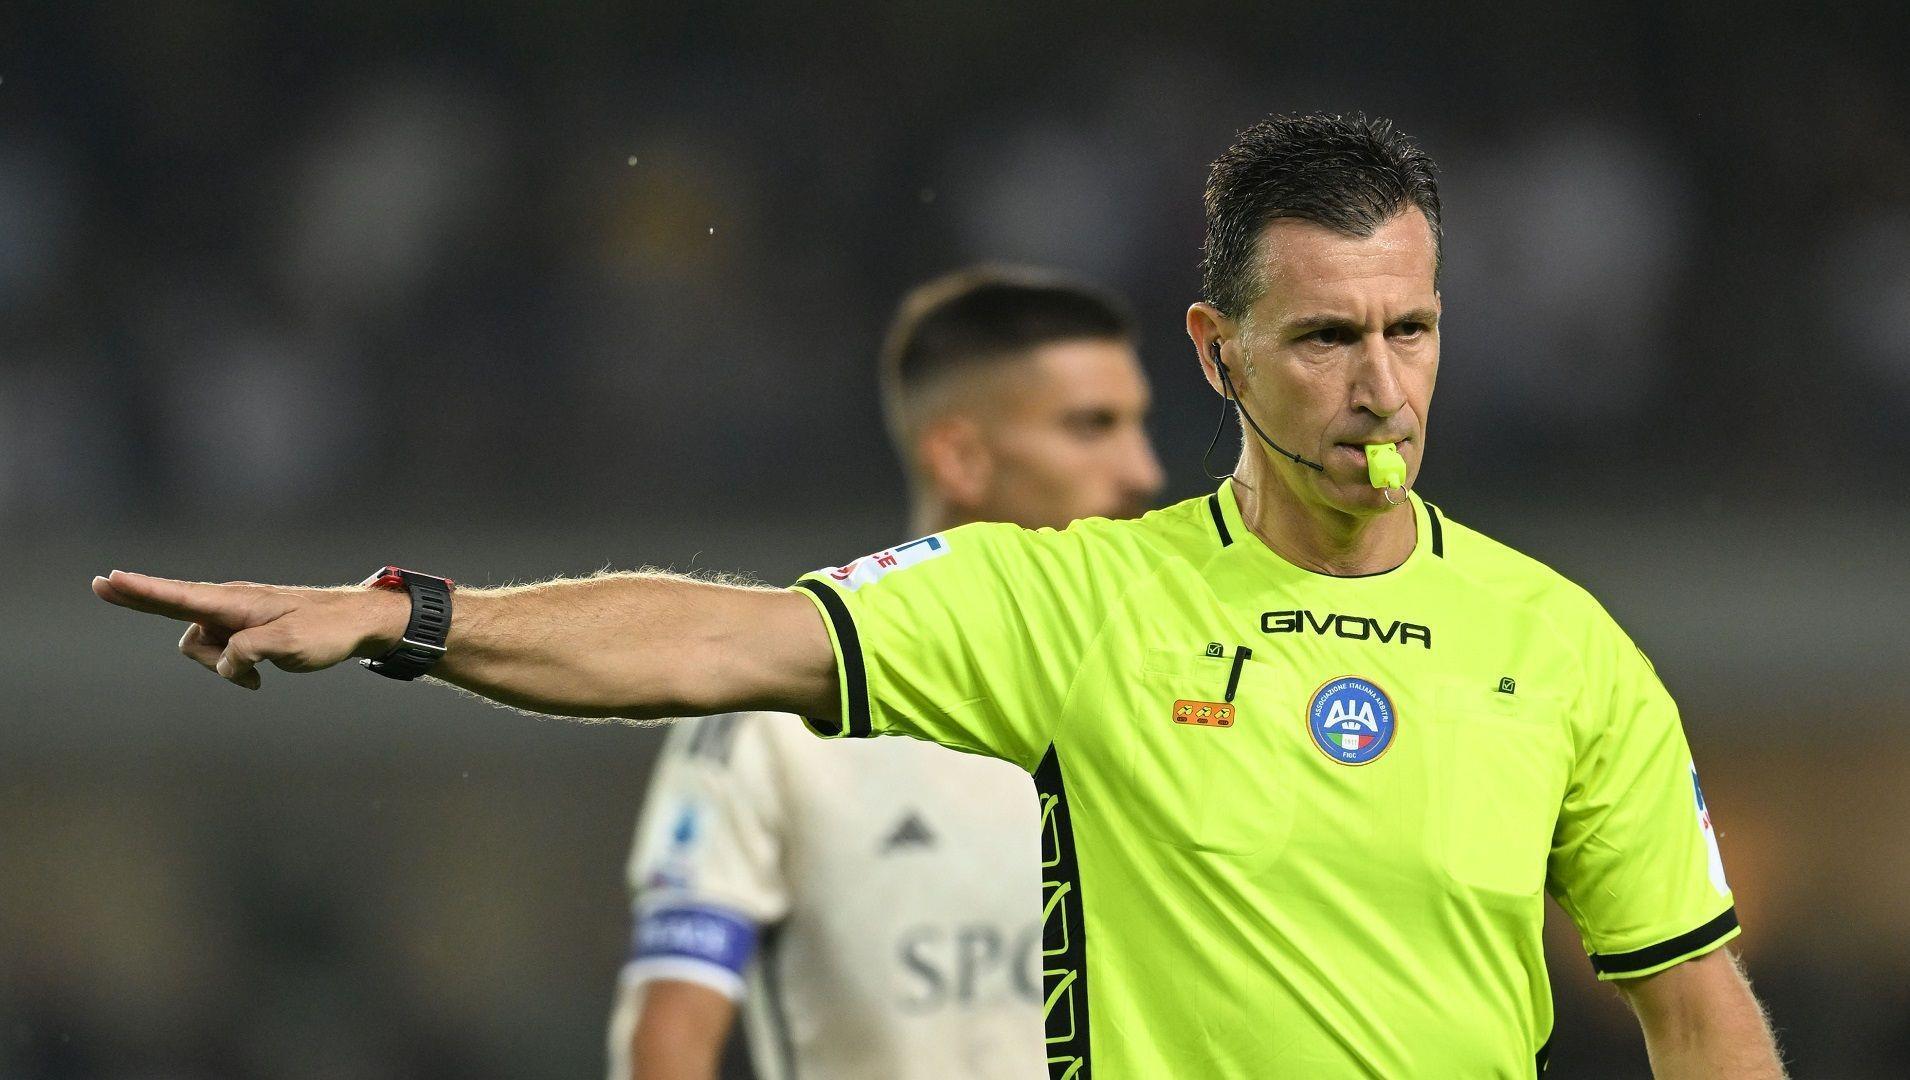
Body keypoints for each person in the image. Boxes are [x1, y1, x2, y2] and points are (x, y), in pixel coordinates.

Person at [95, 113, 1787, 1078]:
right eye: (1326, 337)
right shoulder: (1081, 602)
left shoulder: (1562, 649)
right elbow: (723, 637)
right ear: (1217, 354)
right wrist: (414, 616)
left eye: (1410, 330)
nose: (1380, 385)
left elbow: (1695, 1009)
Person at [605, 267, 1164, 1080]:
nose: (1143, 472)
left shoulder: (1187, 689)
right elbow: (671, 1038)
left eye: (1139, 424)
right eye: (1092, 426)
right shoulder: (781, 714)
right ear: (960, 457)